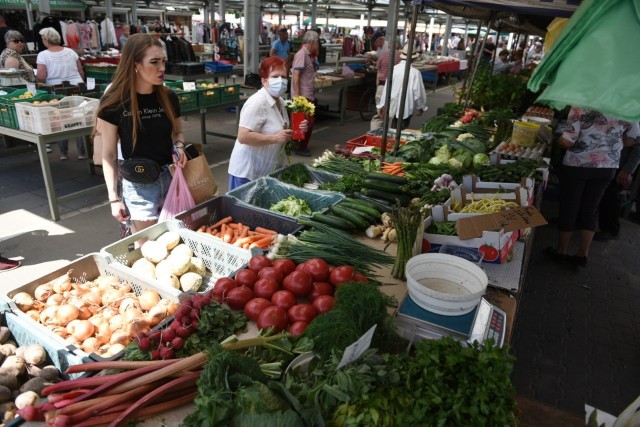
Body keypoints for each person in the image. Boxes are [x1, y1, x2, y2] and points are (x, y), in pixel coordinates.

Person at [96, 33, 185, 235]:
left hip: (171, 178)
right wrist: (113, 198)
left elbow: (178, 131)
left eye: (163, 61)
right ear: (134, 64)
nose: (162, 68)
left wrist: (179, 146)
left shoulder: (168, 96)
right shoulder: (114, 102)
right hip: (139, 185)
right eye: (154, 62)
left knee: (175, 241)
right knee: (149, 248)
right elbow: (108, 155)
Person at [545, 107, 640, 267]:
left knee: (570, 207)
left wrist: (556, 139)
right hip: (608, 166)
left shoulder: (581, 106)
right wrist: (615, 140)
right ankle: (583, 254)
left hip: (578, 164)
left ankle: (561, 251)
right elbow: (635, 137)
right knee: (591, 209)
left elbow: (568, 141)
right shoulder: (625, 107)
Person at [227, 56, 307, 191]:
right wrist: (275, 138)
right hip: (247, 174)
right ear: (264, 81)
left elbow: (279, 131)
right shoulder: (257, 102)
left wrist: (296, 130)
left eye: (284, 77)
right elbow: (243, 136)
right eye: (275, 76)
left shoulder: (280, 102)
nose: (280, 81)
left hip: (265, 171)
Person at [36, 27, 87, 161]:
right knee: (79, 118)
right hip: (76, 87)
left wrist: (35, 77)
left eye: (42, 38)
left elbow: (41, 76)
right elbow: (80, 71)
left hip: (56, 90)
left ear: (46, 40)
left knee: (59, 120)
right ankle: (82, 152)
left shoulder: (43, 55)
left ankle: (64, 153)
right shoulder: (71, 52)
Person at [595, 144, 640, 241]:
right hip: (600, 159)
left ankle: (610, 229)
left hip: (618, 164)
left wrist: (627, 170)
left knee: (610, 196)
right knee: (592, 193)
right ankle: (579, 220)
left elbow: (638, 148)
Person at [376, 44, 427, 131]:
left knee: (391, 128)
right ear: (414, 58)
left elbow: (387, 88)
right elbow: (418, 93)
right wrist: (421, 107)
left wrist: (382, 105)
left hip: (391, 105)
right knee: (401, 131)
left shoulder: (394, 69)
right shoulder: (415, 73)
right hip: (406, 107)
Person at [291, 30, 319, 157]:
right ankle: (299, 146)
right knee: (305, 122)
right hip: (303, 96)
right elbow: (296, 75)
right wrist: (297, 96)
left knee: (306, 122)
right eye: (317, 43)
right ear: (312, 42)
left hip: (307, 94)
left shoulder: (309, 55)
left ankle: (301, 146)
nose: (318, 45)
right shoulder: (301, 54)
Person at [370, 43, 401, 130]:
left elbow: (378, 68)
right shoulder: (401, 56)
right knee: (391, 114)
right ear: (398, 47)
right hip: (394, 88)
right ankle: (388, 135)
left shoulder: (383, 54)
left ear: (389, 47)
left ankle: (374, 134)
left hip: (382, 86)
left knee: (380, 113)